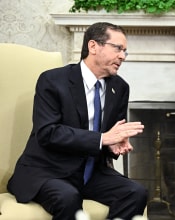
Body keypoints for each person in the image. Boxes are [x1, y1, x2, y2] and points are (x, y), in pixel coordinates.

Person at [7, 22, 148, 220]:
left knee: (136, 193)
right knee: (68, 197)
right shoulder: (53, 80)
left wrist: (115, 143)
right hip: (49, 171)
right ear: (93, 46)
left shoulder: (120, 87)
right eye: (117, 48)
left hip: (91, 173)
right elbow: (48, 132)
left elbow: (112, 134)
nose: (122, 56)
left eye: (125, 51)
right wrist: (102, 139)